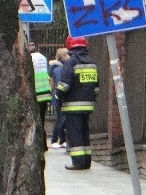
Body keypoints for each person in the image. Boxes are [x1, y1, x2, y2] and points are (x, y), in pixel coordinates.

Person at [55, 36, 99, 170]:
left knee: (74, 134)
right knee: (84, 133)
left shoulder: (71, 63)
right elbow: (96, 87)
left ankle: (78, 162)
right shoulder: (92, 62)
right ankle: (86, 162)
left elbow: (64, 85)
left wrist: (57, 96)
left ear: (70, 47)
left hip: (72, 106)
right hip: (88, 105)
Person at [28, 41, 50, 148]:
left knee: (35, 120)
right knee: (42, 119)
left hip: (36, 92)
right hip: (45, 91)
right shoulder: (42, 57)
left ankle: (39, 144)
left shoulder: (29, 58)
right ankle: (43, 144)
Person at [49, 47, 70, 148]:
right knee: (61, 119)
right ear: (62, 56)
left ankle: (62, 140)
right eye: (67, 54)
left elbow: (52, 83)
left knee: (63, 118)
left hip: (57, 95)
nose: (69, 56)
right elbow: (59, 82)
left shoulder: (56, 67)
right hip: (59, 95)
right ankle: (54, 140)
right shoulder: (59, 68)